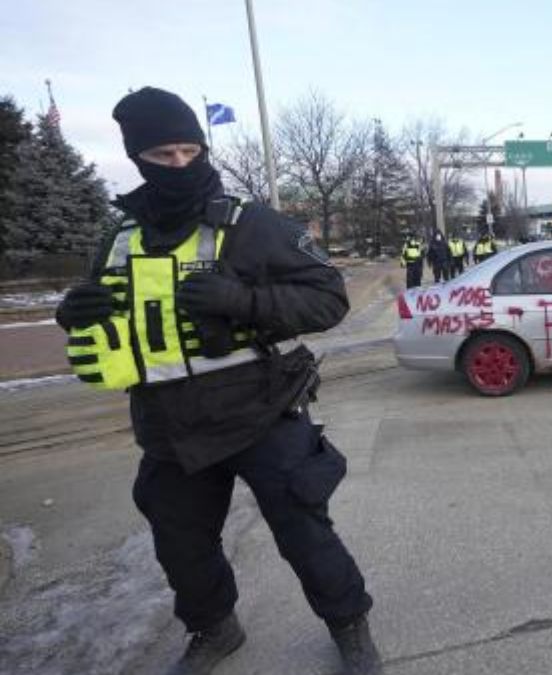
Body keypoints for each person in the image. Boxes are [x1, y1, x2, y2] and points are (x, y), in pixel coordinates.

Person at [54, 87, 381, 675]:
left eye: (189, 150)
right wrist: (75, 311)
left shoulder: (252, 224)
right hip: (167, 420)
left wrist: (245, 300)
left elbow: (328, 299)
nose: (180, 165)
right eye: (163, 156)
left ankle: (349, 624)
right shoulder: (118, 238)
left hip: (261, 408)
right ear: (136, 159)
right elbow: (113, 308)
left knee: (304, 531)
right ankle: (215, 629)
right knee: (181, 544)